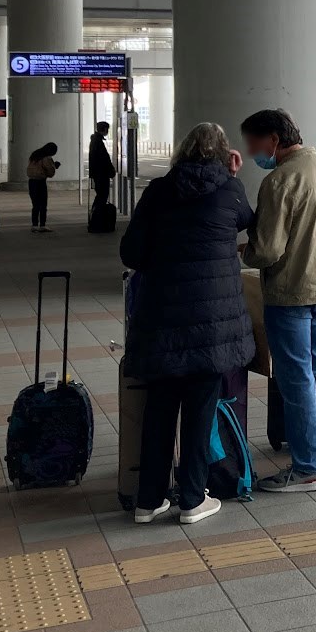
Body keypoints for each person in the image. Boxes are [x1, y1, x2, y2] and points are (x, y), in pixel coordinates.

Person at [120, 122, 254, 526]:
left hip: (162, 318)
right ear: (224, 153)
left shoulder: (158, 191)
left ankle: (149, 500)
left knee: (159, 408)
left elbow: (131, 253)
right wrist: (234, 174)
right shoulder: (230, 190)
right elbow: (247, 221)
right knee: (200, 410)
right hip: (212, 326)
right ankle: (193, 499)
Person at [240, 108, 316, 493]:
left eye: (253, 143)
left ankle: (307, 468)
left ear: (272, 138)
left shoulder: (279, 180)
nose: (252, 151)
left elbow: (268, 249)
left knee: (295, 376)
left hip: (291, 291)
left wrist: (245, 252)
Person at [26, 142, 59, 233]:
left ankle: (34, 225)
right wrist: (54, 166)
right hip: (40, 182)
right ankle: (42, 225)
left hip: (31, 182)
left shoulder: (35, 155)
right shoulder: (47, 158)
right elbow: (50, 172)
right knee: (43, 204)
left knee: (35, 204)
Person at [89, 122, 116, 211]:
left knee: (100, 196)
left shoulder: (95, 140)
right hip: (101, 174)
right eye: (107, 129)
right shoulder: (98, 142)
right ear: (104, 129)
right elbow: (104, 159)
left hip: (98, 174)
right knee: (102, 196)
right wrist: (111, 170)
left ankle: (95, 215)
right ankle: (96, 217)